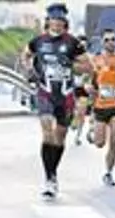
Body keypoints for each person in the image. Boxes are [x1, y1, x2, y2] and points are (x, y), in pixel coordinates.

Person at [20, 3, 93, 200]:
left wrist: (70, 64)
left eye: (61, 20)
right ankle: (48, 178)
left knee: (59, 138)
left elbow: (88, 67)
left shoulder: (73, 43)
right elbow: (26, 54)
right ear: (48, 21)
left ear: (65, 22)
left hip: (66, 95)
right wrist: (29, 69)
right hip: (45, 92)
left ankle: (53, 173)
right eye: (54, 20)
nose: (57, 23)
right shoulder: (39, 41)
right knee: (47, 131)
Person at [89, 28, 115, 187]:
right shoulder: (96, 60)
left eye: (113, 39)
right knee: (99, 143)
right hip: (100, 106)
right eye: (107, 40)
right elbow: (90, 82)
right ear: (102, 42)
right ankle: (92, 130)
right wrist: (89, 89)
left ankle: (108, 172)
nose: (110, 42)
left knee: (114, 139)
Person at [71, 34, 92, 146]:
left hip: (83, 88)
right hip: (70, 87)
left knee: (82, 111)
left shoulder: (90, 58)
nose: (83, 47)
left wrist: (89, 81)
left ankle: (77, 137)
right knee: (74, 111)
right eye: (80, 45)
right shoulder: (70, 57)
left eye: (85, 45)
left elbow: (93, 73)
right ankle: (73, 121)